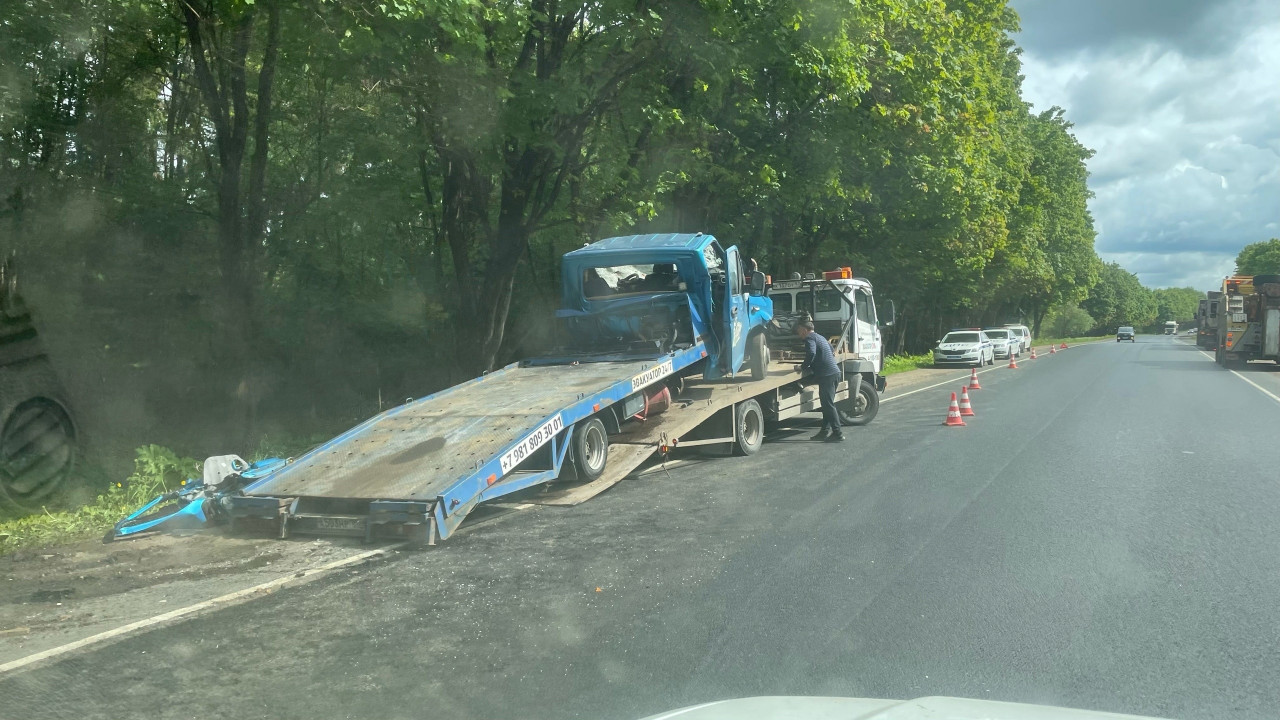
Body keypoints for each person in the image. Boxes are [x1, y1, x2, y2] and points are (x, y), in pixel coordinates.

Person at [795, 318, 844, 441]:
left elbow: (811, 353)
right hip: (835, 373)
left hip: (827, 375)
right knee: (827, 404)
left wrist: (802, 367)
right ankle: (824, 432)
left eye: (799, 331)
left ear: (805, 330)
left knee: (828, 405)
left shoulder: (809, 338)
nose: (799, 334)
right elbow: (832, 352)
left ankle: (838, 433)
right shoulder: (820, 337)